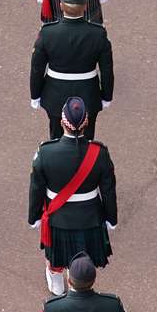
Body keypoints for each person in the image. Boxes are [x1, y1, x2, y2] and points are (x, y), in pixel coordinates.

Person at [29, 95, 117, 295]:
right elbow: (108, 190)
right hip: (90, 217)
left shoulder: (45, 152)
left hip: (58, 216)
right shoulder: (99, 152)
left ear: (62, 122)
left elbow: (36, 189)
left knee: (55, 257)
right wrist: (111, 219)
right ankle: (78, 286)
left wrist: (33, 217)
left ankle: (57, 281)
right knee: (85, 258)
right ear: (86, 122)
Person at [30, 0, 113, 140]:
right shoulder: (98, 34)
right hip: (89, 94)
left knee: (56, 139)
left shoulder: (48, 33)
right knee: (87, 141)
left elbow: (37, 68)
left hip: (55, 95)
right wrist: (106, 96)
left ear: (61, 5)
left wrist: (35, 95)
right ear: (85, 6)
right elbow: (107, 69)